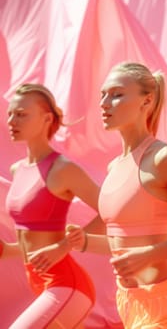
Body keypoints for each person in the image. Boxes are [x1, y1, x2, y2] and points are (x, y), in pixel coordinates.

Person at [67, 62, 167, 328]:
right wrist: (83, 241)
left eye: (116, 94)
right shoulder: (115, 166)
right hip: (130, 301)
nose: (105, 103)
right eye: (103, 95)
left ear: (147, 100)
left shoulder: (164, 158)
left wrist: (151, 254)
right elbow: (129, 247)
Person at [2, 83, 99, 328]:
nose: (12, 120)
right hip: (41, 283)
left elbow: (113, 211)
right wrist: (6, 250)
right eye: (10, 114)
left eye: (22, 114)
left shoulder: (63, 169)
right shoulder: (19, 169)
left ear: (46, 119)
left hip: (68, 285)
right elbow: (35, 243)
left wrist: (65, 245)